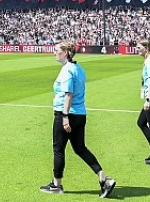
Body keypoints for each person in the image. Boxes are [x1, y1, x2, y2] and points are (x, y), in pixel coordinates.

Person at [39, 41, 116, 198]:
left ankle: (56, 185)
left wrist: (65, 116)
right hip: (80, 114)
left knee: (58, 149)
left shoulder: (67, 70)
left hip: (67, 114)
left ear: (66, 53)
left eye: (57, 50)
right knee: (80, 148)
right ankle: (103, 177)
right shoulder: (79, 69)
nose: (54, 53)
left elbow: (68, 94)